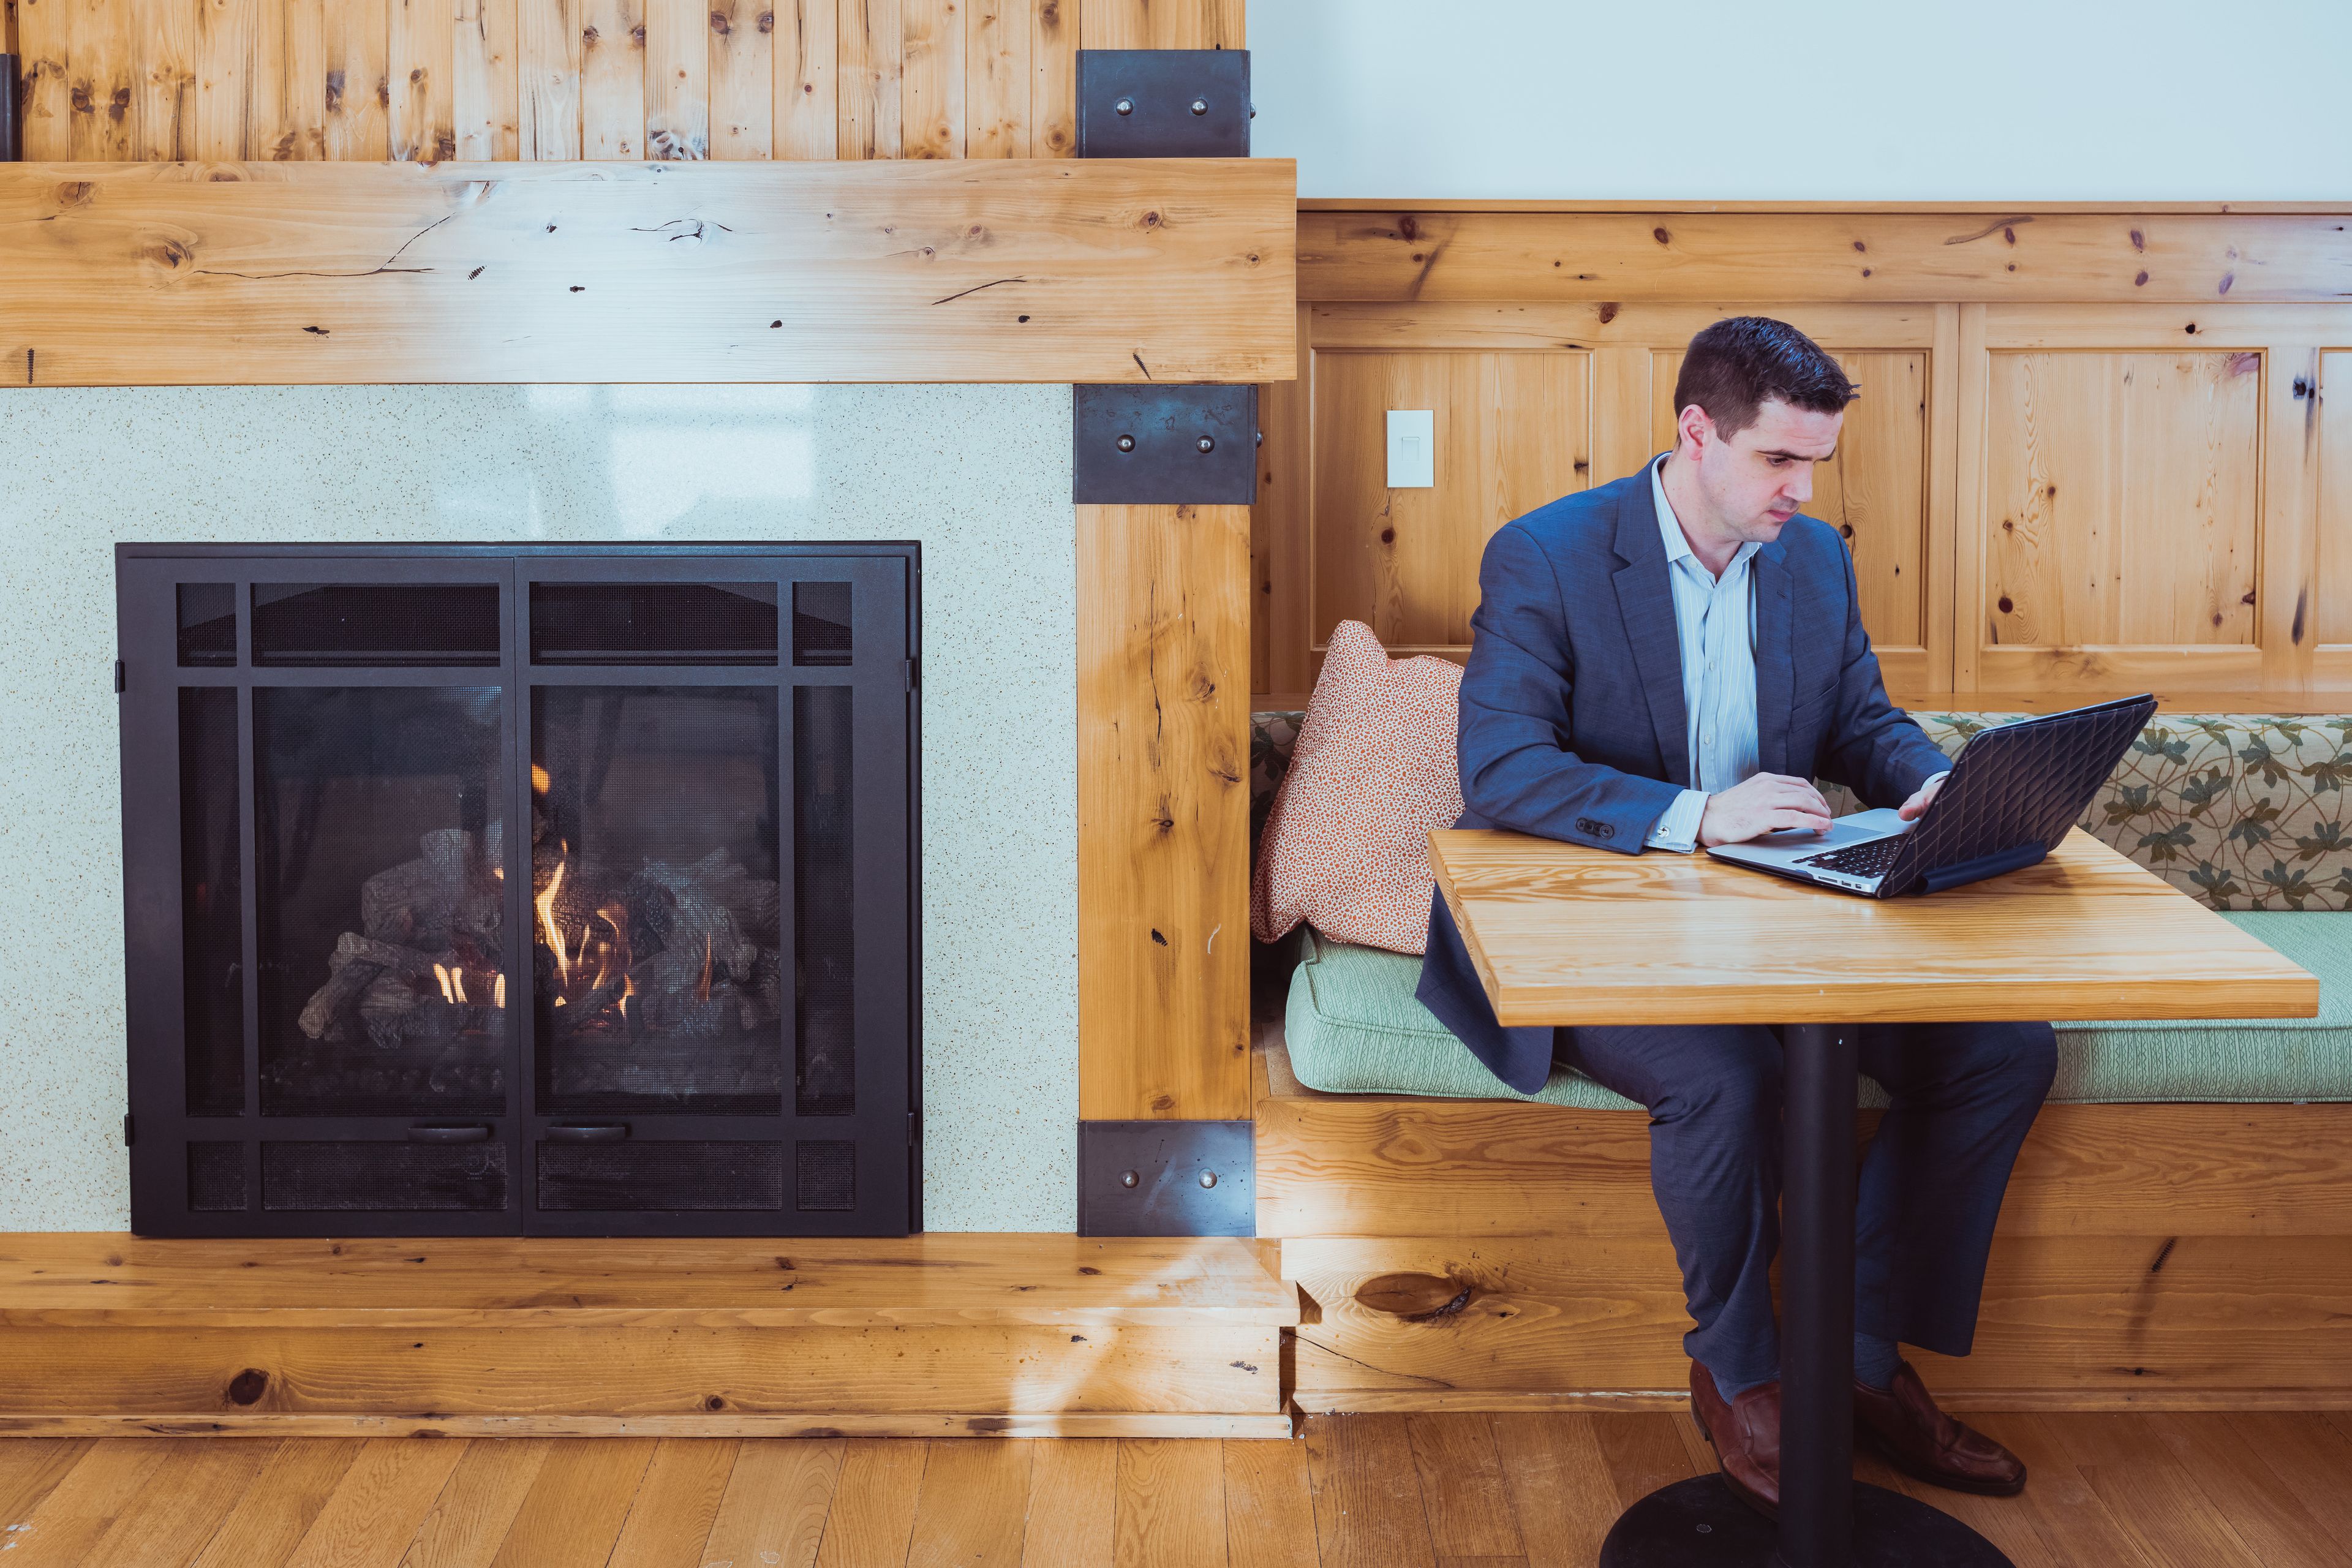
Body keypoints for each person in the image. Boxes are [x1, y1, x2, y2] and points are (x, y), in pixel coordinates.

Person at [1415, 316, 2052, 1519]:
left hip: (1782, 920)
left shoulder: (1810, 558)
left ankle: (1855, 1354)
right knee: (1727, 1076)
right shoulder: (1549, 556)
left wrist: (1926, 778)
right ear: (1695, 434)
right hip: (1596, 924)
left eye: (1815, 463)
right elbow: (1499, 767)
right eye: (1778, 462)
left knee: (2004, 1048)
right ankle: (1745, 1365)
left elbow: (1862, 715)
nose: (1801, 491)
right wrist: (1698, 816)